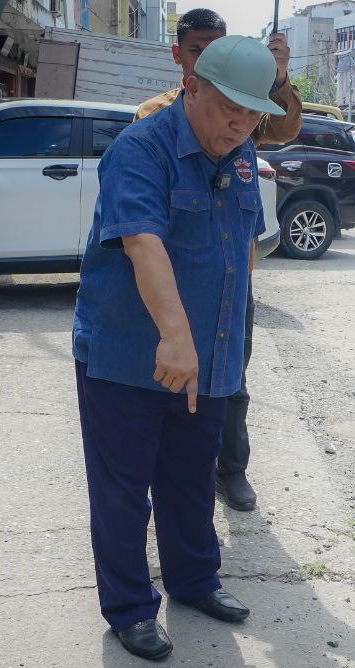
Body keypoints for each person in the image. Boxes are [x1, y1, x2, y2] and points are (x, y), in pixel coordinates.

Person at [73, 36, 286, 660]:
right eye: (228, 109)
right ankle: (130, 609)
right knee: (122, 488)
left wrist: (225, 335)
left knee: (190, 478)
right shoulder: (141, 150)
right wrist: (175, 335)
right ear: (191, 86)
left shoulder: (242, 155)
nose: (240, 124)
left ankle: (193, 581)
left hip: (208, 359)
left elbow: (242, 243)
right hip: (130, 355)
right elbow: (142, 242)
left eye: (253, 114)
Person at [136, 8, 303, 512]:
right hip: (178, 277)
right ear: (178, 56)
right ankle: (165, 480)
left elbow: (286, 126)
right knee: (169, 381)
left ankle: (230, 471)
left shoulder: (247, 112)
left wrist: (277, 79)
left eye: (217, 49)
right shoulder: (155, 116)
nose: (237, 122)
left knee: (230, 381)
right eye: (197, 51)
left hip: (233, 277)